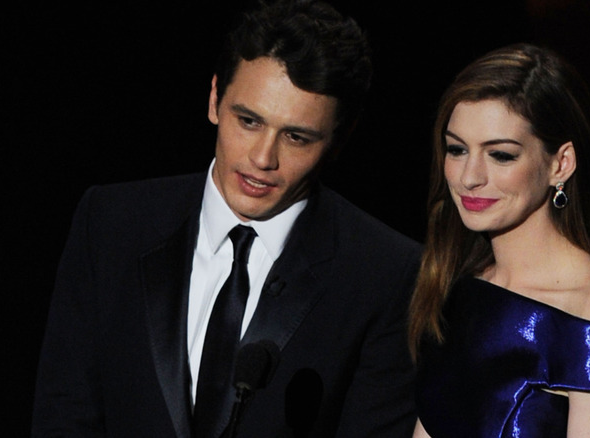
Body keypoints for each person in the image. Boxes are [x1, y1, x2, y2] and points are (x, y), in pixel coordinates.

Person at [32, 1, 420, 437]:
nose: (262, 158)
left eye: (296, 137)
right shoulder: (110, 222)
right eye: (249, 121)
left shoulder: (385, 273)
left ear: (338, 140)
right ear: (215, 99)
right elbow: (63, 413)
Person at [408, 43, 590, 437]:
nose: (469, 176)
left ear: (561, 164)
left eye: (501, 155)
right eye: (457, 149)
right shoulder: (463, 284)